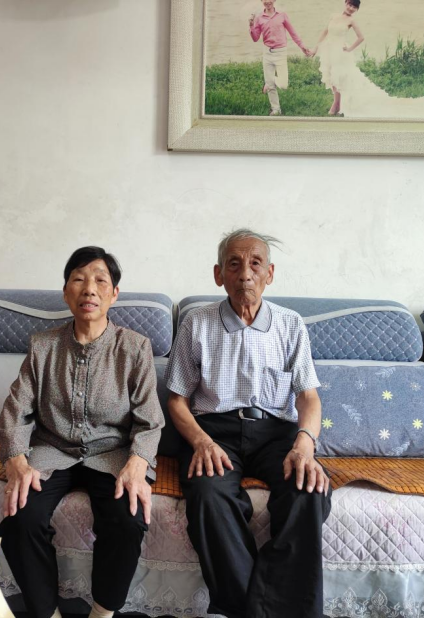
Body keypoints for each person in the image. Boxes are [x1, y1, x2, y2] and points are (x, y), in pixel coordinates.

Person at [165, 229, 332, 618]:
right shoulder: (196, 322)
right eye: (234, 264)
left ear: (269, 273)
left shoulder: (290, 323)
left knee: (308, 491)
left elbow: (308, 397)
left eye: (255, 263)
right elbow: (176, 399)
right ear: (218, 274)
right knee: (208, 495)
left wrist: (304, 445)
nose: (245, 274)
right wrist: (201, 442)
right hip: (214, 432)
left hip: (277, 433)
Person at [0, 246, 165, 618]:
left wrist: (138, 464)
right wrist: (17, 461)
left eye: (100, 281)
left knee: (127, 519)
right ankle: (47, 613)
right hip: (52, 451)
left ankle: (102, 613)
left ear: (114, 294)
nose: (89, 289)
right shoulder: (43, 346)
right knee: (19, 518)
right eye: (78, 279)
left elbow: (150, 421)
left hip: (112, 453)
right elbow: (15, 412)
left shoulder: (135, 348)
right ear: (65, 292)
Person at [311, 0, 424, 118]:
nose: (351, 8)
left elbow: (361, 37)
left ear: (356, 10)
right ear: (345, 3)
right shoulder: (333, 16)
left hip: (341, 52)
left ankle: (336, 105)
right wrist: (316, 48)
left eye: (354, 7)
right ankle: (337, 103)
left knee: (339, 78)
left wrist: (350, 48)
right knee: (332, 78)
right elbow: (325, 32)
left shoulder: (351, 21)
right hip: (329, 50)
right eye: (350, 4)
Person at [249, 0, 311, 116]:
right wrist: (251, 26)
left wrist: (302, 46)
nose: (268, 1)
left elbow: (293, 33)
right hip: (267, 53)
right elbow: (255, 38)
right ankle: (276, 109)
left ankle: (269, 82)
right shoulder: (259, 18)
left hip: (280, 52)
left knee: (283, 85)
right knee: (271, 86)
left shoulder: (282, 15)